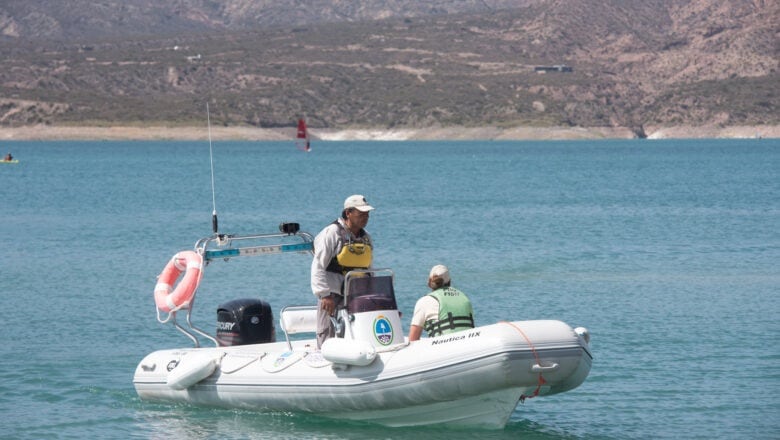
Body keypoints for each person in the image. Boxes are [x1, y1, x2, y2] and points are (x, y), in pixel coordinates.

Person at [310, 194, 375, 348]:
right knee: (327, 333)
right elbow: (318, 265)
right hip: (331, 295)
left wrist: (372, 295)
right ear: (348, 213)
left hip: (356, 295)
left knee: (355, 332)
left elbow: (369, 268)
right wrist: (324, 294)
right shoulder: (333, 233)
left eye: (367, 214)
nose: (365, 218)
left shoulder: (366, 238)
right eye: (361, 214)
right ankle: (324, 356)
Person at [409, 265, 474, 341]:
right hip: (468, 345)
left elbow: (413, 340)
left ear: (429, 282)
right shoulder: (464, 298)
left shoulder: (425, 301)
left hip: (442, 349)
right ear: (449, 281)